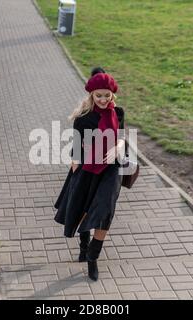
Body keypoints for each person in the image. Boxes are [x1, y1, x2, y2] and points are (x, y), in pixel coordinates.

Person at [53, 67, 126, 281]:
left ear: (112, 94)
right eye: (98, 95)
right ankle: (84, 245)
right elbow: (76, 147)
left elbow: (122, 136)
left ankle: (93, 258)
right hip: (88, 168)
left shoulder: (118, 113)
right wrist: (76, 163)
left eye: (106, 95)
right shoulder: (83, 119)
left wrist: (118, 146)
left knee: (104, 212)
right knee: (84, 210)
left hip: (111, 170)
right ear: (91, 95)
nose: (103, 99)